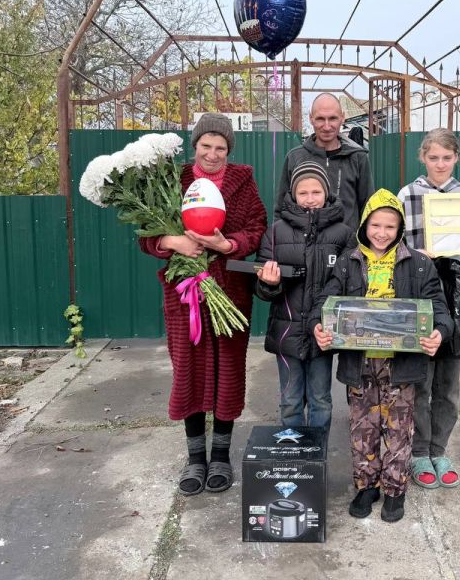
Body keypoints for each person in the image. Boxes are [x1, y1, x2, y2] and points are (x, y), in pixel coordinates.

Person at [139, 113, 267, 496]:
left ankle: (221, 455)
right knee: (189, 370)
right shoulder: (172, 181)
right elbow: (145, 235)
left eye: (220, 148)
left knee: (228, 369)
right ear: (195, 145)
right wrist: (172, 242)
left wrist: (228, 245)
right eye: (206, 146)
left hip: (230, 290)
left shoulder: (242, 183)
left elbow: (257, 227)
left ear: (229, 150)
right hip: (184, 293)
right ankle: (195, 457)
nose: (212, 154)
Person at [311, 189, 453, 523]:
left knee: (399, 428)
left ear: (400, 228)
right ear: (364, 225)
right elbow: (325, 301)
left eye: (390, 226)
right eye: (376, 225)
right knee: (363, 427)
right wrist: (320, 325)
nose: (382, 233)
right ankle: (367, 486)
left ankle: (394, 489)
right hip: (359, 364)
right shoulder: (348, 262)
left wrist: (439, 332)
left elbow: (439, 308)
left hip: (401, 364)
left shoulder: (418, 264)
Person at [396, 128, 460, 491]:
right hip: (419, 297)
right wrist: (416, 257)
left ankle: (440, 450)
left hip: (455, 301)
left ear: (456, 158)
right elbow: (393, 242)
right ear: (423, 157)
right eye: (433, 157)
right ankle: (419, 451)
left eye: (446, 158)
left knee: (448, 384)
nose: (440, 164)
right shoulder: (408, 194)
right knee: (420, 380)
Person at [254, 161, 354, 430]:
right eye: (303, 192)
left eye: (316, 192)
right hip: (286, 333)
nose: (310, 199)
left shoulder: (343, 234)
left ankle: (317, 449)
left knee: (321, 399)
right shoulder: (276, 233)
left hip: (323, 334)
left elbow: (349, 283)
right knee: (290, 400)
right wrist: (269, 283)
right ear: (293, 194)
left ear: (327, 193)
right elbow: (261, 289)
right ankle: (293, 447)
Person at [275, 93, 373, 230]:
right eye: (320, 119)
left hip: (348, 242)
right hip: (303, 242)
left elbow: (368, 208)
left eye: (333, 118)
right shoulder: (294, 157)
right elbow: (281, 209)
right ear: (311, 118)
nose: (327, 126)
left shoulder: (358, 158)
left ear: (342, 117)